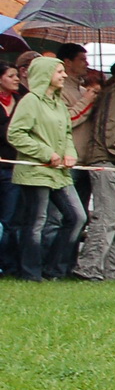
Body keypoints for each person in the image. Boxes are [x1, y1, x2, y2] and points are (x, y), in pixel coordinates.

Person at [7, 56, 87, 280]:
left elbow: (67, 133)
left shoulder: (59, 103)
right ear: (45, 74)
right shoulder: (30, 101)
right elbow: (15, 134)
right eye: (59, 71)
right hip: (35, 172)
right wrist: (45, 153)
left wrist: (70, 153)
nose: (64, 75)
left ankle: (54, 269)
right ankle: (31, 273)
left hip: (60, 173)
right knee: (36, 222)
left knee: (77, 218)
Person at [71, 59, 115, 281]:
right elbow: (112, 129)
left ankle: (110, 270)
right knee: (107, 218)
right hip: (108, 161)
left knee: (111, 219)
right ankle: (88, 266)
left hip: (105, 160)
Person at [0, 62, 21, 273]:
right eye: (11, 75)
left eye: (17, 75)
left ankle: (7, 264)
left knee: (10, 218)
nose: (16, 79)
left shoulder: (21, 101)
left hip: (13, 166)